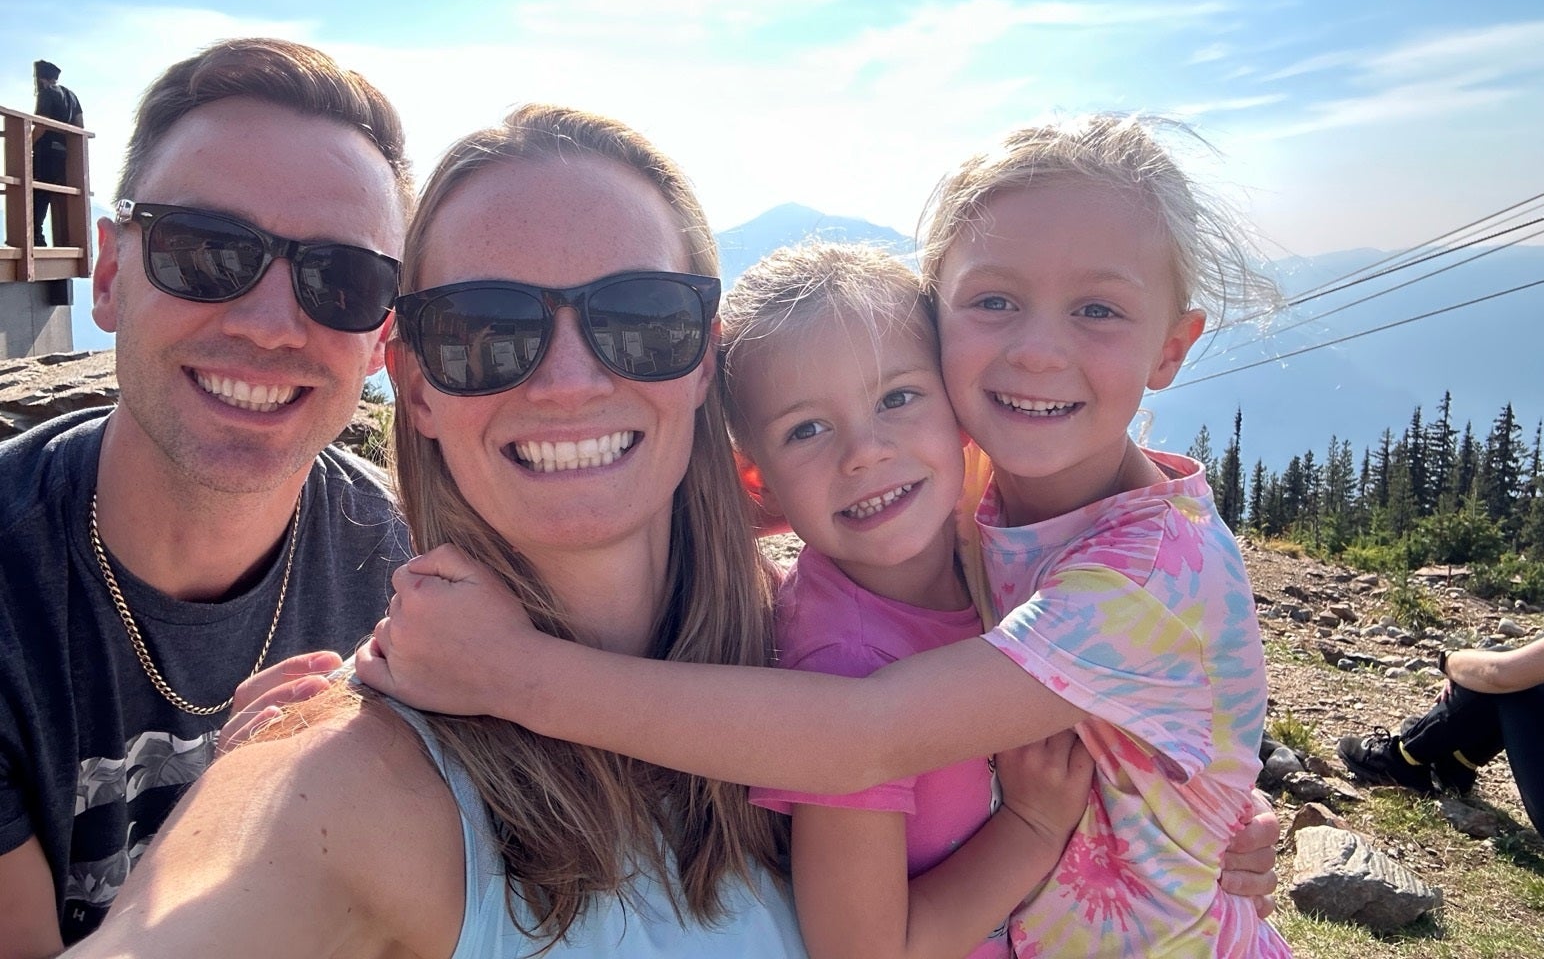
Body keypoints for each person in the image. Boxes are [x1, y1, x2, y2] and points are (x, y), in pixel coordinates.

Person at [72, 106, 1275, 959]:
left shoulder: (804, 624)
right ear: (416, 383)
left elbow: (883, 728)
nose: (567, 379)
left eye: (639, 319)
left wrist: (1171, 822)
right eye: (487, 328)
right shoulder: (339, 786)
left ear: (701, 365)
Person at [0, 38, 413, 956]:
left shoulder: (404, 573)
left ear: (381, 337)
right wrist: (224, 817)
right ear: (109, 277)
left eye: (340, 279)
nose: (269, 325)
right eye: (203, 250)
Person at [726, 241, 1094, 958]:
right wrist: (1031, 829)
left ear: (957, 410)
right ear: (758, 482)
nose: (864, 451)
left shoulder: (1010, 556)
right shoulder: (842, 665)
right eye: (806, 429)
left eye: (898, 398)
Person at [1338, 608, 1544, 882]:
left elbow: (1500, 674)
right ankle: (1456, 761)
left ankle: (1404, 757)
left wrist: (1449, 660)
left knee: (1520, 677)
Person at [31, 60, 85, 246]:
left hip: (45, 151)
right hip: (64, 155)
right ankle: (65, 242)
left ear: (41, 78)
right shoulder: (72, 96)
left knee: (36, 194)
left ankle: (36, 238)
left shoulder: (46, 92)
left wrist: (27, 144)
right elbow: (79, 126)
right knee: (55, 194)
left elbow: (41, 124)